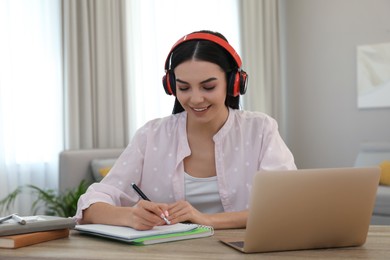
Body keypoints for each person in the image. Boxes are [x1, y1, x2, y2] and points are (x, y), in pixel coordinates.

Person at [75, 30, 296, 230]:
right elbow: (91, 205)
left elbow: (286, 206)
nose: (196, 98)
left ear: (233, 83)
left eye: (208, 87)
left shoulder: (260, 130)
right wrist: (129, 216)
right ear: (171, 86)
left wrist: (207, 220)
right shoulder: (151, 135)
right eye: (184, 88)